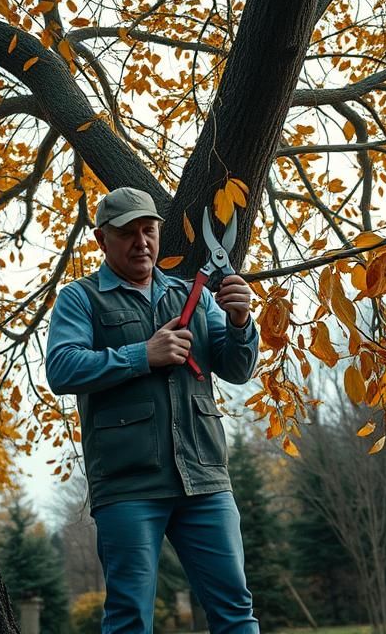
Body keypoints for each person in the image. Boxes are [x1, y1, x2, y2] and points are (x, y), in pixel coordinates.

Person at [46, 186, 260, 633]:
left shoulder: (195, 295)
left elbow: (236, 370)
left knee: (236, 610)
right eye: (128, 233)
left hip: (204, 480)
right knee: (128, 617)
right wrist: (143, 354)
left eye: (149, 230)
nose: (141, 241)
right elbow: (62, 368)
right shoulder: (80, 298)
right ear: (102, 240)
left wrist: (241, 323)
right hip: (128, 485)